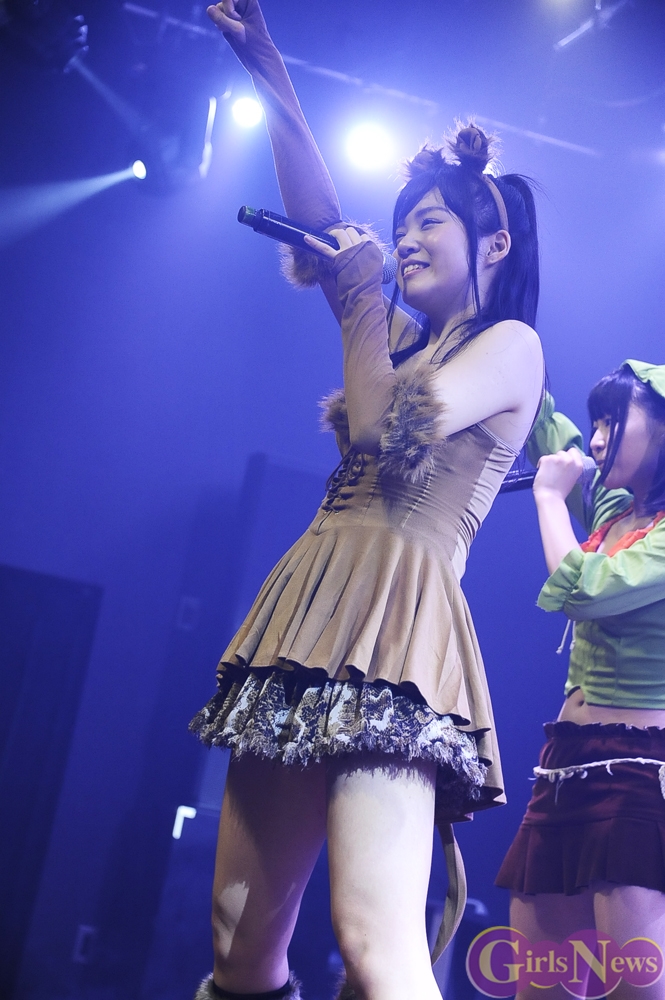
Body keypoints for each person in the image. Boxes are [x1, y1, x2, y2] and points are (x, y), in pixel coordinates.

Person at [191, 2, 543, 998]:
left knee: (373, 938)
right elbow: (321, 218)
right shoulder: (396, 340)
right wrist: (266, 66)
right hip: (310, 610)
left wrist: (356, 297)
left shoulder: (509, 348)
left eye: (429, 220)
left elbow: (388, 432)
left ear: (494, 243)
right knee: (238, 945)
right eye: (400, 225)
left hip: (398, 626)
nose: (404, 238)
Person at [497, 360, 665, 1000]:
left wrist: (547, 498)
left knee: (631, 989)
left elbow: (586, 590)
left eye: (613, 424)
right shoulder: (615, 507)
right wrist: (508, 337)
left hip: (639, 772)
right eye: (595, 424)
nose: (595, 441)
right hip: (564, 766)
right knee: (539, 986)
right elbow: (545, 423)